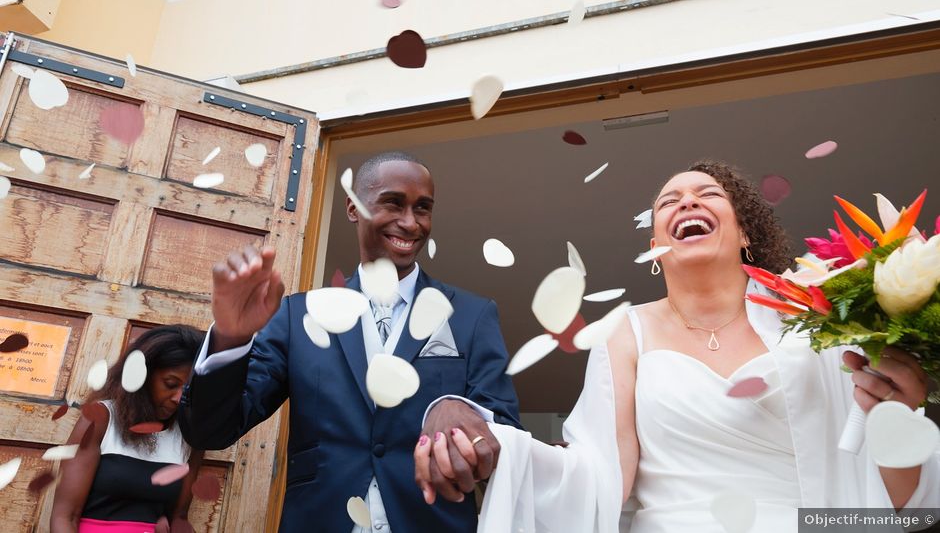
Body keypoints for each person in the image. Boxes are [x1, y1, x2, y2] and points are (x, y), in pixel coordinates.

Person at [417, 159, 940, 532]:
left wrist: (897, 419)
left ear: (744, 234)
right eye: (669, 201)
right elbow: (598, 477)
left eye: (708, 194)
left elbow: (897, 505)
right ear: (655, 249)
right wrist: (481, 429)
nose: (687, 200)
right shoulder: (624, 332)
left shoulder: (814, 325)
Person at [178, 151, 522, 533]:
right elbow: (211, 431)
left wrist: (458, 408)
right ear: (353, 208)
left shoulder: (472, 316)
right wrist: (231, 337)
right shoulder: (297, 316)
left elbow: (506, 433)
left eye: (423, 208)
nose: (410, 223)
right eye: (393, 203)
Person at [51, 324, 204, 533]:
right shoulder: (101, 419)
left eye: (188, 390)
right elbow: (65, 516)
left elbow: (178, 518)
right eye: (170, 383)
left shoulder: (189, 436)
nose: (178, 398)